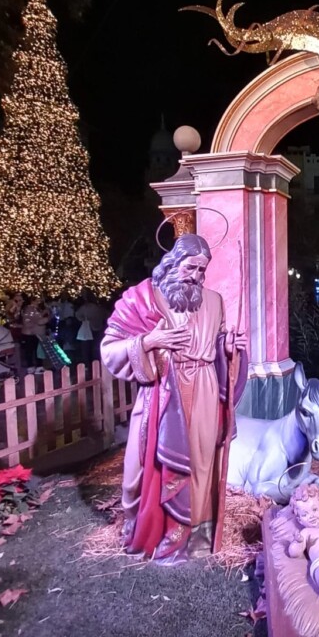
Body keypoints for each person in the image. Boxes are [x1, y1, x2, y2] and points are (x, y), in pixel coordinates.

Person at [101, 233, 247, 564]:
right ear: (173, 262)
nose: (196, 276)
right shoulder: (142, 299)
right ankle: (138, 522)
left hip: (205, 389)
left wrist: (227, 347)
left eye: (202, 270)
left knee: (200, 463)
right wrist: (149, 341)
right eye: (191, 267)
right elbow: (110, 348)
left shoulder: (214, 301)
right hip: (162, 395)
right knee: (138, 467)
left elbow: (220, 342)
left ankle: (194, 532)